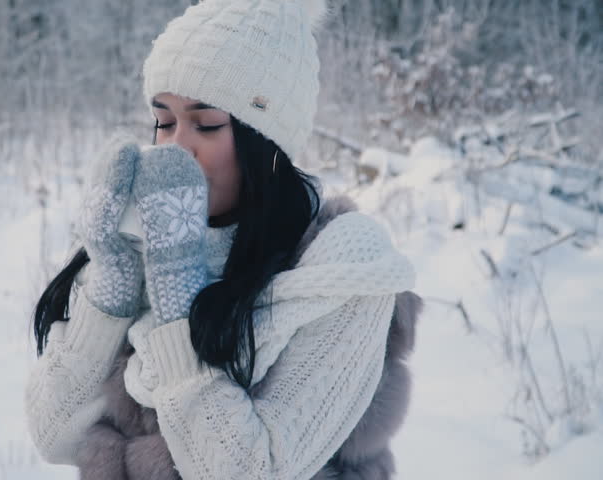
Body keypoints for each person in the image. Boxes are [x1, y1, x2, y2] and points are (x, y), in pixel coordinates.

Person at [25, 1, 421, 479]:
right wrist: (114, 280)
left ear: (267, 139)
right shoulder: (147, 239)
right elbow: (53, 437)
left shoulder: (341, 266)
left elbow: (252, 470)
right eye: (164, 122)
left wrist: (176, 302)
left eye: (206, 124)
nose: (175, 148)